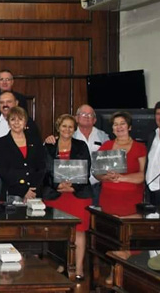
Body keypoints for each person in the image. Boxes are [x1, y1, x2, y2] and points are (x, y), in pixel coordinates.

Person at [43, 114, 92, 281]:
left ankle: (78, 267)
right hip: (56, 195)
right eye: (64, 126)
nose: (67, 129)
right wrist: (58, 185)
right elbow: (44, 170)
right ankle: (63, 264)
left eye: (70, 126)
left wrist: (73, 186)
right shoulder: (49, 146)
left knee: (78, 231)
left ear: (74, 129)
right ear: (58, 127)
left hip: (77, 195)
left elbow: (86, 168)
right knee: (58, 233)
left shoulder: (81, 146)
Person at [95, 112, 147, 216]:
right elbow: (97, 173)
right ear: (112, 128)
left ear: (129, 127)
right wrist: (106, 177)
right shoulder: (106, 146)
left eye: (122, 123)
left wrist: (121, 178)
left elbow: (143, 175)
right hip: (108, 199)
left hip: (131, 200)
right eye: (115, 124)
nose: (119, 127)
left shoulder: (140, 147)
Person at [0, 107, 45, 202]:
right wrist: (24, 191)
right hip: (12, 193)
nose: (16, 122)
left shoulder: (35, 140)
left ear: (25, 122)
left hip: (35, 192)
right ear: (8, 122)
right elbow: (4, 171)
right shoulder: (0, 143)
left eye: (20, 119)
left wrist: (32, 189)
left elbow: (41, 166)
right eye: (13, 119)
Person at [71, 104, 110, 205]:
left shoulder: (103, 136)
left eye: (90, 115)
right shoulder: (70, 135)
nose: (87, 117)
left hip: (98, 184)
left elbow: (109, 158)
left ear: (95, 120)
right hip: (76, 185)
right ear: (76, 118)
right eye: (83, 114)